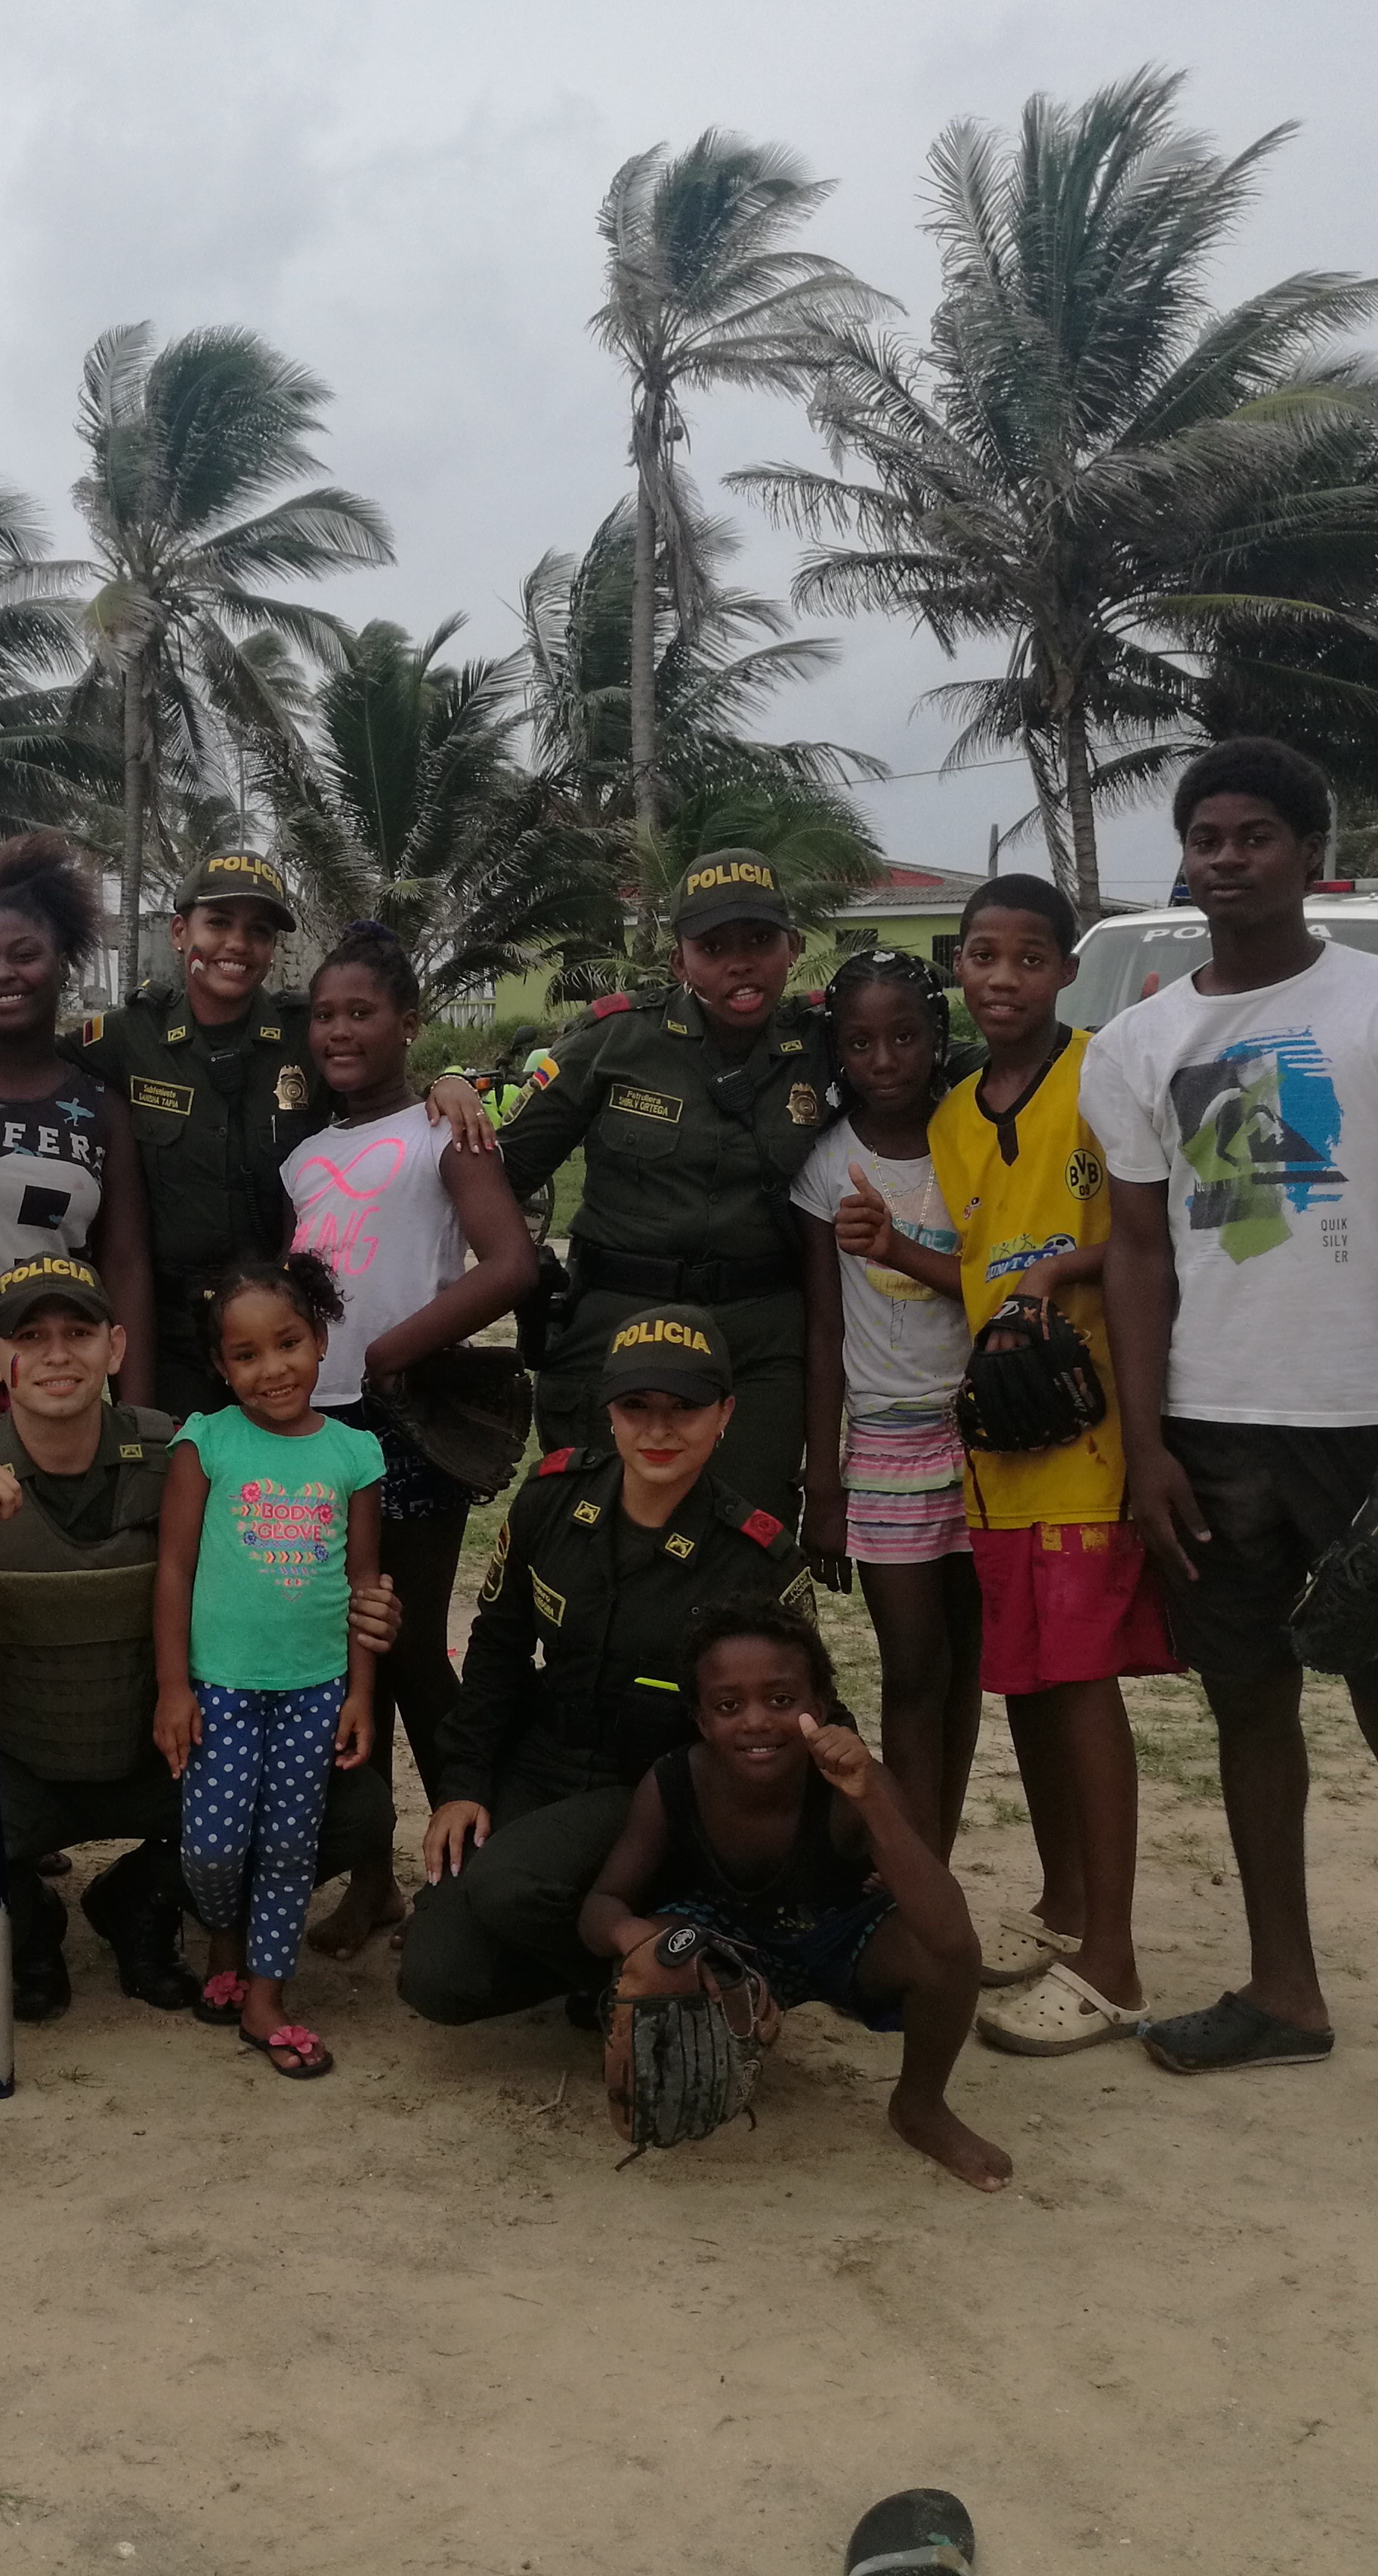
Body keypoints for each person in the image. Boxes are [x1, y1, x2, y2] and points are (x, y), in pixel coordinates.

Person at [1084, 737, 1378, 2159]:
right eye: (1206, 836)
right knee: (1248, 1711)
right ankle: (1282, 1991)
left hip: (1368, 1429)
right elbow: (1136, 1253)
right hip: (1214, 1434)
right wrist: (1146, 1443)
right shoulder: (1138, 1045)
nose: (1227, 857)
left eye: (1255, 835)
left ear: (1308, 855)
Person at [0, 1255, 410, 2015]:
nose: (56, 1355)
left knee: (353, 1813)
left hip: (166, 1753)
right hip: (14, 1761)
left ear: (115, 1347)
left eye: (79, 1333)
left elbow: (298, 1555)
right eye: (30, 1337)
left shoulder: (183, 1457)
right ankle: (26, 1926)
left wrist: (369, 1607)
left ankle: (144, 1899)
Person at [837, 875, 1168, 2057]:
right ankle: (1068, 1910)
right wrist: (900, 1249)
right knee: (1027, 1680)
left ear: (1067, 970)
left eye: (1030, 958)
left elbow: (1154, 1231)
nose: (1003, 979)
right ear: (959, 966)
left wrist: (1061, 1272)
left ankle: (1113, 1966)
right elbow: (985, 1274)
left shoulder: (1107, 1073)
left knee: (1078, 1682)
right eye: (982, 955)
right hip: (1000, 1446)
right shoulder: (956, 1118)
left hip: (1091, 1430)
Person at [0, 847, 491, 1417]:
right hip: (173, 1333)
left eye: (259, 931)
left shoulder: (303, 1034)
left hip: (275, 1329)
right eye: (218, 923)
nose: (237, 944)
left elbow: (376, 1077)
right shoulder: (129, 1036)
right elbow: (27, 1045)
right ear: (179, 933)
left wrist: (446, 1081)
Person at [397, 1308, 807, 2028]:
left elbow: (801, 1715)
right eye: (636, 1406)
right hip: (546, 1759)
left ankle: (679, 1964)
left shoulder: (754, 1560)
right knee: (440, 1980)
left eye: (685, 1408)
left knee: (508, 1888)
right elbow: (496, 1650)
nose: (658, 1430)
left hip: (657, 1790)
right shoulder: (551, 1499)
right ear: (608, 1412)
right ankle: (643, 1968)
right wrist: (463, 1785)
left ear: (725, 1415)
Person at [281, 922, 539, 1956]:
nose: (340, 1032)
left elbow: (512, 1263)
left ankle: (473, 1872)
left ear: (409, 1023)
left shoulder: (446, 1131)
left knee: (415, 1649)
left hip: (403, 1417)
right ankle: (371, 1880)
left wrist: (393, 1350)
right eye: (324, 1015)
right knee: (354, 1650)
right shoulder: (303, 1154)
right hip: (316, 1422)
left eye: (362, 1012)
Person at [579, 1602, 1009, 2191]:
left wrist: (869, 1799)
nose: (757, 1721)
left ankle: (920, 2106)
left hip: (840, 1938)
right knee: (661, 1951)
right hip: (727, 1944)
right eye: (728, 1706)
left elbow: (949, 1930)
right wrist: (643, 1943)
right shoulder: (675, 1781)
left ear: (820, 1708)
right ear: (701, 1719)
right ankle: (725, 2049)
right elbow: (600, 1907)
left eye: (781, 1700)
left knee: (944, 1953)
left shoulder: (855, 1783)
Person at [500, 849, 836, 1534]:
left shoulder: (828, 1044)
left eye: (759, 940)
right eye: (713, 948)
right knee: (594, 1538)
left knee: (746, 1543)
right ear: (680, 961)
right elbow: (503, 1172)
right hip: (616, 1327)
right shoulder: (616, 1039)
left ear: (794, 948)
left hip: (758, 1344)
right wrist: (520, 1275)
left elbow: (932, 1067)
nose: (739, 963)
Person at [791, 950, 1005, 1915]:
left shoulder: (973, 1138)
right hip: (886, 1444)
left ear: (938, 1036)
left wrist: (899, 1246)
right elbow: (824, 1326)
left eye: (906, 1036)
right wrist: (823, 1482)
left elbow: (1001, 1282)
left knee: (965, 1666)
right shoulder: (826, 1163)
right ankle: (908, 1879)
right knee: (914, 1668)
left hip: (990, 1434)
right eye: (861, 1042)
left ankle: (933, 1871)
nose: (885, 1060)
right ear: (837, 1051)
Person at [153, 1251, 385, 2080]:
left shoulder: (356, 1455)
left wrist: (361, 1692)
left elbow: (366, 1586)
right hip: (219, 1689)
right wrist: (173, 1687)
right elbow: (173, 1570)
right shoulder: (205, 1442)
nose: (272, 1369)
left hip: (315, 1690)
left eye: (287, 1343)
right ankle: (225, 1940)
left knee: (289, 1846)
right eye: (245, 1355)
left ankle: (266, 1999)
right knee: (213, 1850)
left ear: (320, 1339)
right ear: (221, 1367)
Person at [0, 832, 158, 1410]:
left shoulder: (102, 1107)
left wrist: (138, 1415)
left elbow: (125, 1265)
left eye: (25, 956)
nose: (2, 973)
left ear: (63, 964)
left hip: (59, 1388)